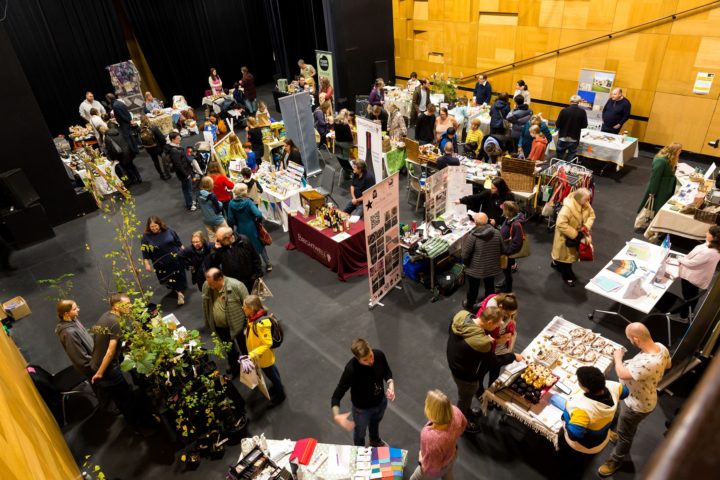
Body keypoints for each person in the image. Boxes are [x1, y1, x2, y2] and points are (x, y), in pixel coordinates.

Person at [597, 323, 671, 477]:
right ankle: (620, 433)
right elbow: (668, 364)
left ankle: (615, 460)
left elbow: (622, 373)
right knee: (624, 425)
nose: (629, 341)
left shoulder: (648, 363)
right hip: (638, 396)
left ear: (636, 339)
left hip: (635, 405)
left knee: (626, 436)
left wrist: (618, 358)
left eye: (629, 338)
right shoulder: (660, 347)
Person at [446, 307, 522, 432]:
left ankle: (468, 412)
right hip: (466, 376)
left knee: (465, 397)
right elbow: (494, 362)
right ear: (489, 322)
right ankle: (463, 424)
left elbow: (452, 333)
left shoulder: (462, 315)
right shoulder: (482, 343)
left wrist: (484, 337)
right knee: (464, 399)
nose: (499, 326)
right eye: (497, 325)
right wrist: (513, 356)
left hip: (455, 363)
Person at [90, 293, 153, 435]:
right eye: (127, 304)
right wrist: (100, 373)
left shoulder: (106, 316)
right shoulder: (116, 322)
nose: (130, 306)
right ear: (116, 306)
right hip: (107, 370)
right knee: (126, 399)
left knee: (121, 398)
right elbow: (110, 352)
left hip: (96, 362)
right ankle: (140, 428)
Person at [558, 366, 628, 477]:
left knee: (569, 452)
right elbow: (625, 392)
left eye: (579, 381)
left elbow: (574, 435)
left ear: (586, 388)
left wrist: (566, 422)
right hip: (602, 433)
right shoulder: (613, 386)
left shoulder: (583, 409)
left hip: (585, 444)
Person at [331, 338, 395, 447]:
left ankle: (374, 440)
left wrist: (391, 384)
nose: (371, 361)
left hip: (380, 402)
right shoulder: (351, 370)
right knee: (360, 433)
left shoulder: (379, 355)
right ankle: (359, 450)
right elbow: (336, 395)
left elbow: (386, 370)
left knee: (375, 423)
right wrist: (336, 415)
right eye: (365, 360)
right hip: (362, 410)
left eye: (371, 355)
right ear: (357, 358)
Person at [409, 389, 467, 480]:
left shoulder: (430, 437)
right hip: (451, 456)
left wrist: (421, 460)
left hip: (437, 468)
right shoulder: (455, 411)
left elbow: (432, 467)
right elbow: (463, 424)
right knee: (448, 475)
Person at [202, 268, 248, 378]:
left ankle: (249, 366)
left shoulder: (237, 286)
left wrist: (247, 326)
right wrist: (208, 322)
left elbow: (248, 306)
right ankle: (235, 366)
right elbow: (205, 305)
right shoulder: (207, 285)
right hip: (220, 327)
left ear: (220, 279)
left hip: (239, 326)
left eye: (212, 283)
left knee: (244, 347)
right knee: (229, 349)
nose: (209, 286)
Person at [240, 295, 285, 406]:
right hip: (259, 356)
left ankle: (281, 395)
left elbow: (267, 343)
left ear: (252, 309)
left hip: (263, 357)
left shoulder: (261, 324)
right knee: (272, 372)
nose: (242, 308)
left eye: (245, 306)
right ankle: (278, 386)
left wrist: (252, 354)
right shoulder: (251, 318)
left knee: (272, 374)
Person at [551, 188, 596, 287]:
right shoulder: (567, 209)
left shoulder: (585, 204)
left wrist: (586, 226)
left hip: (577, 235)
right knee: (566, 259)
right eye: (586, 199)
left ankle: (556, 263)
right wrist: (576, 234)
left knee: (567, 256)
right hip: (565, 237)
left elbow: (592, 215)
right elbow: (561, 224)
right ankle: (568, 276)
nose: (588, 201)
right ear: (579, 198)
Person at [141, 216, 187, 305]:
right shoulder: (146, 237)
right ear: (148, 227)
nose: (154, 228)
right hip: (161, 263)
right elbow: (145, 252)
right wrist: (146, 264)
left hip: (175, 258)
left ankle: (179, 293)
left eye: (155, 226)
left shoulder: (169, 230)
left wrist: (184, 252)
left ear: (159, 224)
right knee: (167, 279)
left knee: (179, 276)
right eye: (152, 227)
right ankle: (178, 292)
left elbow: (178, 242)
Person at [462, 212, 503, 308]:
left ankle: (470, 304)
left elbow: (465, 254)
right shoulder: (497, 232)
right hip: (491, 266)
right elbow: (502, 249)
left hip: (475, 268)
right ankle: (490, 304)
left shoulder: (473, 236)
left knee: (473, 287)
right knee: (490, 285)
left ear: (475, 223)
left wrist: (466, 263)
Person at [227, 183, 272, 272]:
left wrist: (236, 223)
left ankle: (254, 266)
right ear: (243, 192)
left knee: (246, 248)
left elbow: (230, 220)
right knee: (260, 245)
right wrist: (257, 221)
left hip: (240, 228)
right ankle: (268, 264)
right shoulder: (248, 202)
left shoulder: (231, 203)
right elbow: (258, 214)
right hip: (252, 227)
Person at [677, 226, 720, 317]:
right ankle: (690, 313)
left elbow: (692, 263)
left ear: (714, 238)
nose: (706, 233)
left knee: (688, 296)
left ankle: (683, 316)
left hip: (692, 278)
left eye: (708, 233)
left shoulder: (709, 252)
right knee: (693, 295)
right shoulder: (715, 247)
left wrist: (680, 259)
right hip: (699, 276)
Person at [211, 226, 263, 293]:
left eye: (219, 240)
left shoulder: (244, 241)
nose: (218, 242)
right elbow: (213, 264)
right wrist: (216, 250)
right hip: (234, 285)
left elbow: (255, 258)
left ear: (228, 237)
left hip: (250, 281)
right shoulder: (220, 248)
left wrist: (257, 275)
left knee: (253, 298)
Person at [637, 143, 680, 215]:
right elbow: (655, 177)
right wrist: (652, 191)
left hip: (665, 187)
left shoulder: (670, 159)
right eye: (679, 151)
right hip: (660, 187)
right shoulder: (661, 161)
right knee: (655, 205)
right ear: (674, 151)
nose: (680, 152)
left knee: (659, 205)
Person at [55, 300, 94, 379]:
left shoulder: (74, 319)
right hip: (93, 369)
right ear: (66, 314)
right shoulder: (69, 333)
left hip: (95, 358)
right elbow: (81, 358)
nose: (78, 309)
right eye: (74, 309)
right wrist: (98, 363)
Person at [497, 201, 525, 292]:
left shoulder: (515, 224)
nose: (502, 210)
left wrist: (506, 250)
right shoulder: (509, 219)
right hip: (506, 249)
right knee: (506, 270)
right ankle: (505, 282)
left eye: (504, 209)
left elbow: (517, 243)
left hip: (508, 252)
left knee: (507, 271)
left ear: (508, 211)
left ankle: (508, 290)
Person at [167, 132, 198, 211]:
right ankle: (190, 205)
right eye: (178, 138)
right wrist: (186, 174)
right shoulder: (174, 151)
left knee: (187, 189)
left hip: (185, 171)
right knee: (188, 189)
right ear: (172, 140)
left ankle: (190, 201)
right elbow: (178, 165)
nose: (180, 139)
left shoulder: (176, 147)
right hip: (184, 173)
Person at [105, 121, 142, 185]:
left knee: (126, 168)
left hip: (120, 155)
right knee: (132, 165)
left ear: (108, 127)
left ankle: (133, 179)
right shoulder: (120, 131)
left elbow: (110, 149)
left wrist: (113, 158)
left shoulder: (107, 137)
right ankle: (139, 177)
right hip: (128, 151)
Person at [556, 95, 588, 161]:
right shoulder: (582, 112)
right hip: (574, 138)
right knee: (570, 157)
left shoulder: (564, 110)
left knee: (559, 157)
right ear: (579, 102)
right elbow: (585, 125)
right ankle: (567, 166)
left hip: (563, 137)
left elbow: (558, 124)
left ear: (570, 101)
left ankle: (559, 166)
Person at [197, 176, 229, 243]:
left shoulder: (198, 194)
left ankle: (214, 248)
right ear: (211, 185)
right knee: (227, 233)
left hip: (206, 220)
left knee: (211, 237)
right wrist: (220, 203)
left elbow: (199, 206)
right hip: (217, 220)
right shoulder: (212, 196)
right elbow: (218, 209)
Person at [139, 116, 170, 180]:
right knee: (164, 159)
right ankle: (167, 173)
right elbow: (162, 138)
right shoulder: (153, 127)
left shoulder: (140, 130)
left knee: (156, 162)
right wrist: (164, 145)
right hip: (158, 147)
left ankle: (161, 175)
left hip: (149, 149)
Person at [333, 108, 355, 177]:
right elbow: (349, 136)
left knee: (340, 157)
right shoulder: (345, 124)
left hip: (337, 142)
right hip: (345, 144)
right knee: (345, 159)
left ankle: (345, 170)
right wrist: (352, 142)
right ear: (346, 116)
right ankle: (350, 172)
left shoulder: (335, 122)